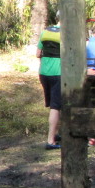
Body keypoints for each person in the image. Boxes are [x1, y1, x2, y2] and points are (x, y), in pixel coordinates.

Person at [36, 19, 62, 150]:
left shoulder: (45, 32)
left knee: (55, 104)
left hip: (44, 73)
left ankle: (56, 134)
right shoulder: (66, 33)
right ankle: (51, 141)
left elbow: (38, 54)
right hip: (59, 73)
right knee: (56, 107)